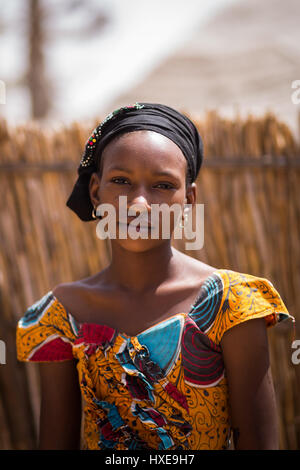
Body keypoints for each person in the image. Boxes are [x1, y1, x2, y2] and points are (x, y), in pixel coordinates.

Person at [16, 102, 293, 450]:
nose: (139, 204)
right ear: (95, 191)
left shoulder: (231, 304)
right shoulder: (61, 314)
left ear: (189, 199)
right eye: (121, 181)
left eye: (163, 185)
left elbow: (257, 440)